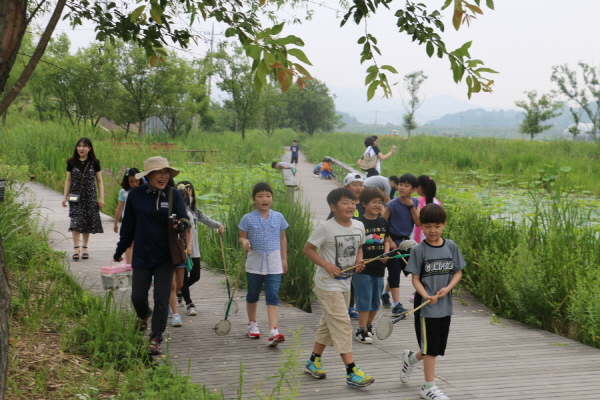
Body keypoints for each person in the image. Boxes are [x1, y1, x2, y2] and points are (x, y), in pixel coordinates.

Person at [113, 156, 190, 355]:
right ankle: (144, 314)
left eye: (166, 172)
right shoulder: (136, 196)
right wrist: (120, 249)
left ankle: (156, 337)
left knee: (161, 298)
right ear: (149, 175)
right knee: (138, 297)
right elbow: (128, 226)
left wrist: (181, 224)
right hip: (142, 254)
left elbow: (184, 219)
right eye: (159, 172)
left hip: (165, 256)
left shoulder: (173, 195)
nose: (163, 176)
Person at [303, 187, 374, 387]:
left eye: (353, 202)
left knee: (328, 323)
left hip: (345, 283)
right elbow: (308, 249)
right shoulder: (325, 228)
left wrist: (359, 261)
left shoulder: (359, 226)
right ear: (333, 207)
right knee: (342, 323)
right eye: (345, 202)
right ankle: (351, 370)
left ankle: (313, 360)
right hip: (326, 284)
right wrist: (326, 264)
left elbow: (359, 247)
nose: (351, 206)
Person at [401, 204, 465, 400]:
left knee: (434, 347)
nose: (433, 231)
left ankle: (410, 359)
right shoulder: (419, 250)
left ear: (444, 225)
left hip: (444, 305)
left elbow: (458, 272)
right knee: (430, 349)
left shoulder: (451, 246)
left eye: (437, 226)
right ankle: (428, 386)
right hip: (426, 306)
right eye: (428, 226)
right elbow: (415, 279)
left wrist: (447, 288)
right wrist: (426, 295)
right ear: (421, 226)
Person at [238, 182, 288, 346]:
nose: (264, 199)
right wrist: (245, 242)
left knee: (273, 295)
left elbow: (282, 238)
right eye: (260, 196)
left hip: (274, 264)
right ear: (254, 199)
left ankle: (274, 330)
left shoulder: (278, 217)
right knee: (253, 294)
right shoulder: (247, 218)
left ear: (272, 198)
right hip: (255, 263)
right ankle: (252, 323)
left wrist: (284, 259)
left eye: (268, 196)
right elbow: (242, 236)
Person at [176, 181, 224, 316]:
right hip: (181, 249)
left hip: (194, 248)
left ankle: (179, 291)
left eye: (190, 189)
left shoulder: (194, 211)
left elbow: (207, 220)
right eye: (185, 189)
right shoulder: (176, 212)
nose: (188, 191)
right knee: (184, 277)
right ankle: (189, 303)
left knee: (195, 275)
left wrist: (219, 225)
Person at [354, 187, 392, 344]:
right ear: (363, 203)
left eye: (380, 202)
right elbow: (357, 245)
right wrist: (358, 261)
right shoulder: (358, 223)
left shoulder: (383, 221)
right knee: (364, 299)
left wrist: (386, 254)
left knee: (375, 300)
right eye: (374, 202)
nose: (378, 205)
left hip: (378, 269)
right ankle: (361, 330)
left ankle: (369, 326)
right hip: (362, 269)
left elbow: (387, 240)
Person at [326, 172, 366, 319]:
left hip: (357, 249)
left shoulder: (362, 206)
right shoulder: (336, 212)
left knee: (353, 280)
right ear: (346, 186)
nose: (358, 188)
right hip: (341, 253)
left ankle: (350, 306)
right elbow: (330, 225)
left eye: (361, 185)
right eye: (354, 185)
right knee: (347, 279)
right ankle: (347, 307)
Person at [381, 173, 420, 316]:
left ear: (414, 189)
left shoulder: (414, 202)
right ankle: (396, 305)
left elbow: (418, 222)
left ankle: (385, 293)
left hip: (407, 243)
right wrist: (389, 240)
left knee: (403, 270)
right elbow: (382, 224)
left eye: (406, 185)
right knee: (394, 271)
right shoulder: (392, 204)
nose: (402, 188)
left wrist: (410, 207)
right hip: (393, 242)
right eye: (401, 185)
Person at [61, 137, 104, 261]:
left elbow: (99, 180)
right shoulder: (71, 162)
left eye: (84, 146)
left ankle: (85, 247)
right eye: (79, 146)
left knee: (87, 221)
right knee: (75, 221)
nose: (81, 148)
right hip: (75, 196)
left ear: (89, 148)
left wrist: (101, 197)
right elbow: (68, 180)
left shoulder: (94, 162)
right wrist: (64, 197)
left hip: (90, 196)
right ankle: (76, 248)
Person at [409, 175, 441, 302]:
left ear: (420, 188)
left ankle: (419, 291)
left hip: (421, 239)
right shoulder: (437, 202)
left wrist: (416, 240)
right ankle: (425, 289)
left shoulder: (418, 202)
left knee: (419, 267)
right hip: (434, 239)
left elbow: (418, 224)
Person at [169, 188, 193, 327]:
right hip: (168, 251)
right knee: (171, 285)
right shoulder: (168, 214)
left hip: (181, 250)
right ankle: (175, 313)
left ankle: (168, 302)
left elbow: (188, 231)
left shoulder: (185, 216)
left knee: (179, 284)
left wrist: (189, 247)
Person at [113, 167, 143, 264]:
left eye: (136, 181)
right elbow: (119, 208)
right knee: (129, 243)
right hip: (128, 221)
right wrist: (115, 223)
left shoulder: (143, 191)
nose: (134, 184)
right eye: (131, 182)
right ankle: (129, 264)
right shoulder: (124, 192)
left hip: (141, 220)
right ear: (127, 181)